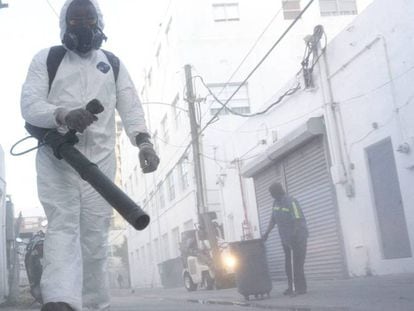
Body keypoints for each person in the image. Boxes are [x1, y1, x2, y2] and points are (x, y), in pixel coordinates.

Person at [20, 0, 159, 310]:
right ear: (64, 26)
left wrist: (144, 142)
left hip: (100, 161)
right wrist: (63, 114)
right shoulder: (48, 59)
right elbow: (29, 105)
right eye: (74, 21)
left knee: (94, 236)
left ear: (100, 23)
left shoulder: (112, 64)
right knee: (63, 224)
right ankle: (61, 300)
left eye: (89, 18)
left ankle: (93, 303)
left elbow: (131, 105)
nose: (82, 25)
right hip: (58, 157)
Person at [262, 182, 308, 296]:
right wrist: (266, 233)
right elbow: (273, 220)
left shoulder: (291, 202)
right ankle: (291, 287)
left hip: (298, 238)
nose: (271, 195)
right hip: (286, 239)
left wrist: (294, 235)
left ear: (278, 192)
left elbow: (297, 219)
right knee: (288, 264)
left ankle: (301, 288)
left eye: (272, 193)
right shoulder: (275, 203)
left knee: (297, 264)